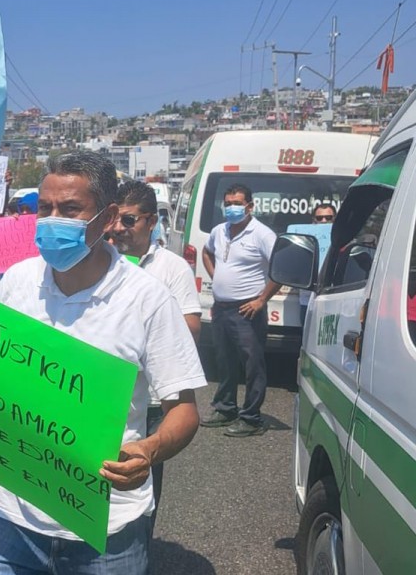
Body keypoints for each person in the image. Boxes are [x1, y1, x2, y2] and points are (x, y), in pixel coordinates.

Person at [0, 150, 206, 573]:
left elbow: (184, 410)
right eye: (45, 208)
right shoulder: (16, 283)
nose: (52, 219)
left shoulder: (147, 298)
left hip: (107, 531)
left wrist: (149, 450)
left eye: (70, 209)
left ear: (108, 216)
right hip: (15, 524)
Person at [110, 178, 202, 540]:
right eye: (114, 219)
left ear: (152, 222)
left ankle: (134, 550)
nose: (119, 228)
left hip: (149, 401)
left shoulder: (172, 268)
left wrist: (145, 327)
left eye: (129, 220)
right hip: (106, 394)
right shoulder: (100, 262)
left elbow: (191, 327)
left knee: (137, 487)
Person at [200, 184, 280, 437]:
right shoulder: (218, 231)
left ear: (250, 206)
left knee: (252, 364)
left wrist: (261, 300)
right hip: (221, 309)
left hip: (247, 310)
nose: (231, 208)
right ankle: (225, 408)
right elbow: (206, 252)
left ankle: (251, 417)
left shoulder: (262, 234)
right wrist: (217, 277)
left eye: (237, 203)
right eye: (228, 203)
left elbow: (281, 269)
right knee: (224, 361)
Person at [299, 203, 337, 323]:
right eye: (319, 218)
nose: (324, 221)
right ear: (314, 220)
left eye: (328, 218)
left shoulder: (344, 239)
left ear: (335, 218)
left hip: (334, 300)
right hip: (307, 300)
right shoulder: (303, 239)